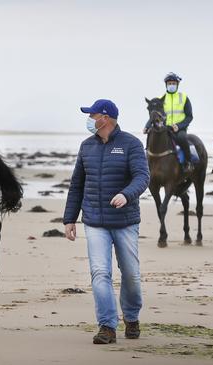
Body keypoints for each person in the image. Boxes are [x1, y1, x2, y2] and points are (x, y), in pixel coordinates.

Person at [64, 99, 150, 344]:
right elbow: (76, 184)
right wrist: (69, 218)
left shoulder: (131, 144)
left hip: (125, 222)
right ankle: (107, 326)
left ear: (106, 118)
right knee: (100, 273)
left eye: (92, 115)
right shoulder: (86, 147)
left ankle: (132, 318)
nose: (90, 120)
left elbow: (143, 177)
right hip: (94, 222)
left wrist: (126, 194)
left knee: (131, 274)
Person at [143, 72, 194, 173]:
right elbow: (154, 115)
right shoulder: (160, 99)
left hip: (179, 129)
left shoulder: (183, 97)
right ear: (166, 85)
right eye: (169, 83)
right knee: (151, 136)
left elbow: (189, 117)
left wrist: (179, 126)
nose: (171, 85)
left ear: (177, 84)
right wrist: (147, 126)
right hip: (164, 128)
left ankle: (188, 163)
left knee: (182, 138)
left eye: (173, 83)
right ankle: (147, 165)